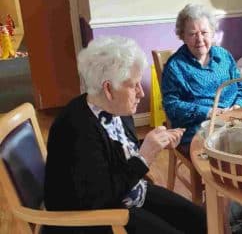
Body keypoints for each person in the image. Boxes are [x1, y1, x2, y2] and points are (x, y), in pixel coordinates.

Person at [44, 36, 207, 234]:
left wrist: (157, 143)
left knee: (203, 222)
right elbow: (100, 197)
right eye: (134, 85)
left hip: (129, 193)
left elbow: (116, 153)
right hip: (95, 218)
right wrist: (144, 156)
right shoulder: (76, 130)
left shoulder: (115, 110)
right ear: (108, 89)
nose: (141, 93)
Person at [161, 3, 242, 149]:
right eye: (192, 34)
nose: (199, 39)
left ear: (213, 32)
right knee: (230, 148)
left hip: (233, 120)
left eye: (204, 32)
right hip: (197, 127)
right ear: (182, 36)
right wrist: (208, 112)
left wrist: (238, 106)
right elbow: (171, 106)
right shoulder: (175, 66)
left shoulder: (224, 56)